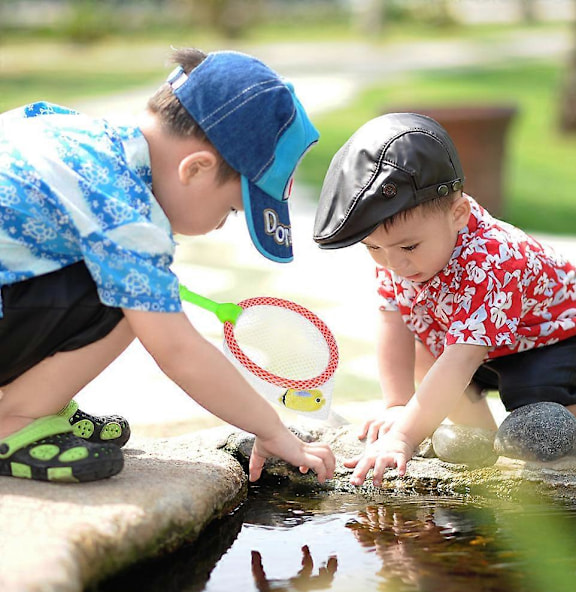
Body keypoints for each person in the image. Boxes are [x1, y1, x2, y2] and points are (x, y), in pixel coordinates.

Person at [0, 48, 335, 484]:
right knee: (137, 300)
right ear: (195, 169)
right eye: (232, 210)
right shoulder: (125, 211)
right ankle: (17, 420)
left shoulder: (69, 131)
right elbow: (178, 352)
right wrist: (272, 430)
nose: (219, 226)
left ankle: (38, 400)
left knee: (108, 275)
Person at [313, 112, 576, 486]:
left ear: (459, 214)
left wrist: (403, 437)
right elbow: (393, 322)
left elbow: (463, 357)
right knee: (426, 353)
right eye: (373, 248)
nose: (394, 263)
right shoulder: (396, 253)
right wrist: (398, 405)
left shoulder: (494, 260)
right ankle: (478, 445)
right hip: (480, 343)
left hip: (560, 338)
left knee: (532, 399)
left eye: (409, 246)